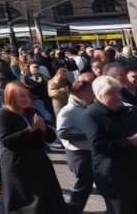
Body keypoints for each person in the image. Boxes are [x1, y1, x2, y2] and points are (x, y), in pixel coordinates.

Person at [0, 81, 67, 214]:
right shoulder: (2, 114)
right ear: (11, 96)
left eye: (28, 95)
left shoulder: (33, 112)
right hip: (17, 167)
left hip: (39, 164)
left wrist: (43, 128)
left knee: (49, 201)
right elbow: (6, 141)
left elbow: (50, 138)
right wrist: (30, 129)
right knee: (25, 205)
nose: (27, 99)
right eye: (22, 96)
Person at [85, 75, 137, 214]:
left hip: (132, 172)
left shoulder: (125, 111)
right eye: (111, 93)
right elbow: (99, 144)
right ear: (99, 95)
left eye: (118, 92)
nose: (118, 97)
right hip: (114, 177)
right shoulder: (91, 114)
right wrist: (130, 141)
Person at [55, 72, 96, 214]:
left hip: (90, 151)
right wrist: (89, 135)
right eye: (91, 91)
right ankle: (72, 210)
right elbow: (62, 133)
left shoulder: (87, 106)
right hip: (78, 153)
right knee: (83, 184)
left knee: (87, 184)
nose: (94, 95)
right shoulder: (68, 110)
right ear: (81, 92)